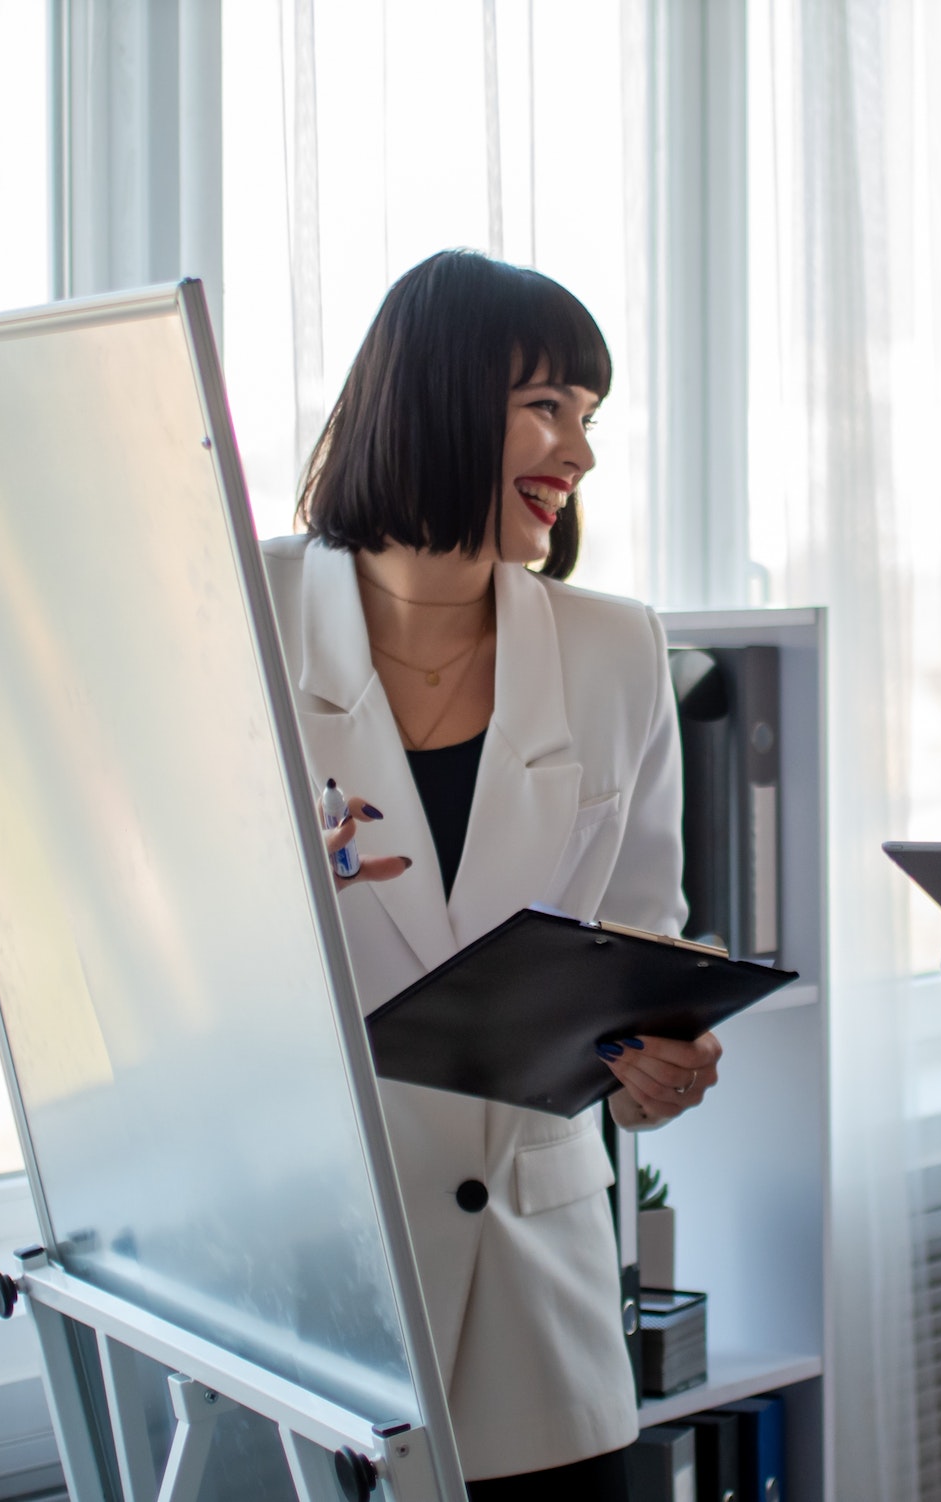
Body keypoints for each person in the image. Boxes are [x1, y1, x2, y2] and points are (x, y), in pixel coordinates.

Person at [262, 249, 721, 1499]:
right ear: (433, 398)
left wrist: (652, 1071)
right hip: (312, 1282)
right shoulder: (239, 617)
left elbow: (635, 948)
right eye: (548, 407)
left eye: (587, 415)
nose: (578, 453)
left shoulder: (614, 648)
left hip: (539, 1287)